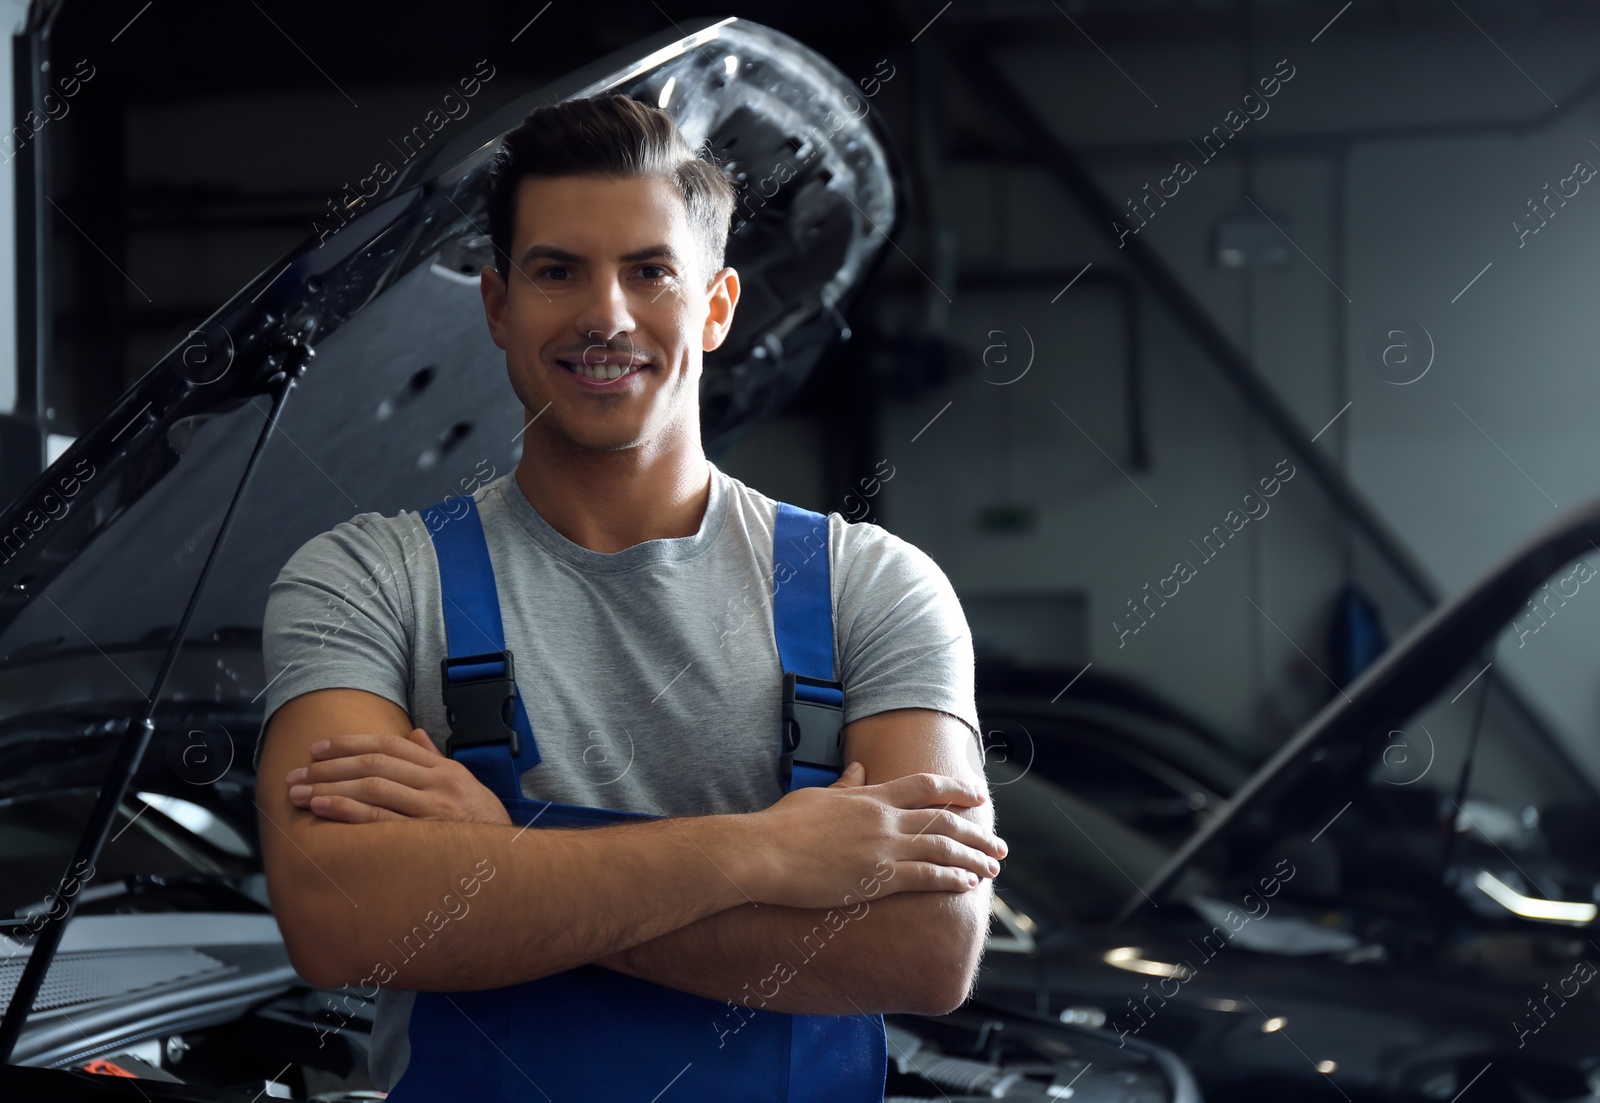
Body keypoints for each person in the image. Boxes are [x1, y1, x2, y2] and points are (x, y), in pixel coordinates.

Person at [254, 92, 1006, 1100]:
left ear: (717, 304)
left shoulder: (870, 586)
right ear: (496, 305)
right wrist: (766, 853)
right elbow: (342, 915)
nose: (605, 313)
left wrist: (498, 857)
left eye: (649, 271)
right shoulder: (367, 580)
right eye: (557, 270)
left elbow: (923, 948)